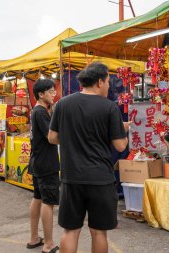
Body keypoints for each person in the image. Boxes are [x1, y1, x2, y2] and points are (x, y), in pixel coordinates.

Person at [48, 62, 130, 253]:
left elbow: (52, 138)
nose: (109, 86)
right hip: (100, 179)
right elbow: (120, 145)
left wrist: (72, 139)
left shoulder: (63, 104)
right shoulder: (109, 107)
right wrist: (122, 130)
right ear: (100, 82)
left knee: (70, 231)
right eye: (108, 82)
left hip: (71, 178)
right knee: (99, 232)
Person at [27, 79, 60, 253]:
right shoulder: (41, 112)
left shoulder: (37, 111)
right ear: (41, 94)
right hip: (46, 163)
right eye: (51, 91)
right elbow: (52, 137)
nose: (54, 94)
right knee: (48, 202)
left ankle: (34, 238)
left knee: (38, 198)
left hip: (37, 161)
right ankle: (48, 244)